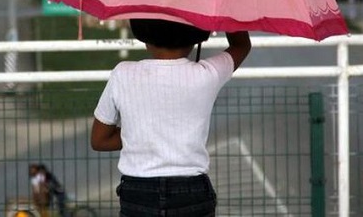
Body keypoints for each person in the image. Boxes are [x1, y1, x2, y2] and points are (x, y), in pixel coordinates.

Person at [91, 18, 251, 216]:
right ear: (196, 36)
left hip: (138, 193)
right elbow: (241, 45)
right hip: (192, 192)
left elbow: (99, 140)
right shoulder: (208, 74)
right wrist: (227, 10)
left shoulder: (122, 74)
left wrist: (143, 133)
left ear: (145, 35)